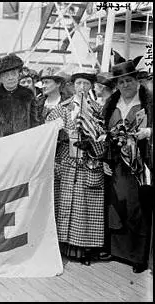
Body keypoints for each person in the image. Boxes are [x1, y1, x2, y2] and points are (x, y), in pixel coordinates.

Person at [45, 68, 106, 266]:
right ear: (72, 86)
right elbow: (47, 129)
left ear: (91, 87)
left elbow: (105, 136)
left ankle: (84, 249)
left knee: (84, 205)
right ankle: (64, 246)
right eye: (78, 83)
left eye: (86, 84)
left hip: (88, 162)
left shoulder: (97, 109)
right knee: (65, 203)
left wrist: (93, 143)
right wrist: (61, 133)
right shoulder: (63, 107)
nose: (82, 87)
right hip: (67, 161)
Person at [102, 59, 153, 273]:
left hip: (140, 163)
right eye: (121, 82)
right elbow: (102, 133)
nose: (125, 85)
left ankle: (138, 256)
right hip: (116, 162)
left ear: (137, 81)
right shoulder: (111, 104)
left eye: (129, 80)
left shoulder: (148, 102)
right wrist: (105, 159)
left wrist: (148, 132)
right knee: (116, 204)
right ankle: (116, 250)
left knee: (137, 207)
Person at [0, 53, 40, 137]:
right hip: (0, 142)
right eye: (6, 75)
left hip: (24, 140)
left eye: (13, 73)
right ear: (0, 79)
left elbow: (34, 120)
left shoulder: (28, 94)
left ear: (18, 75)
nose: (10, 78)